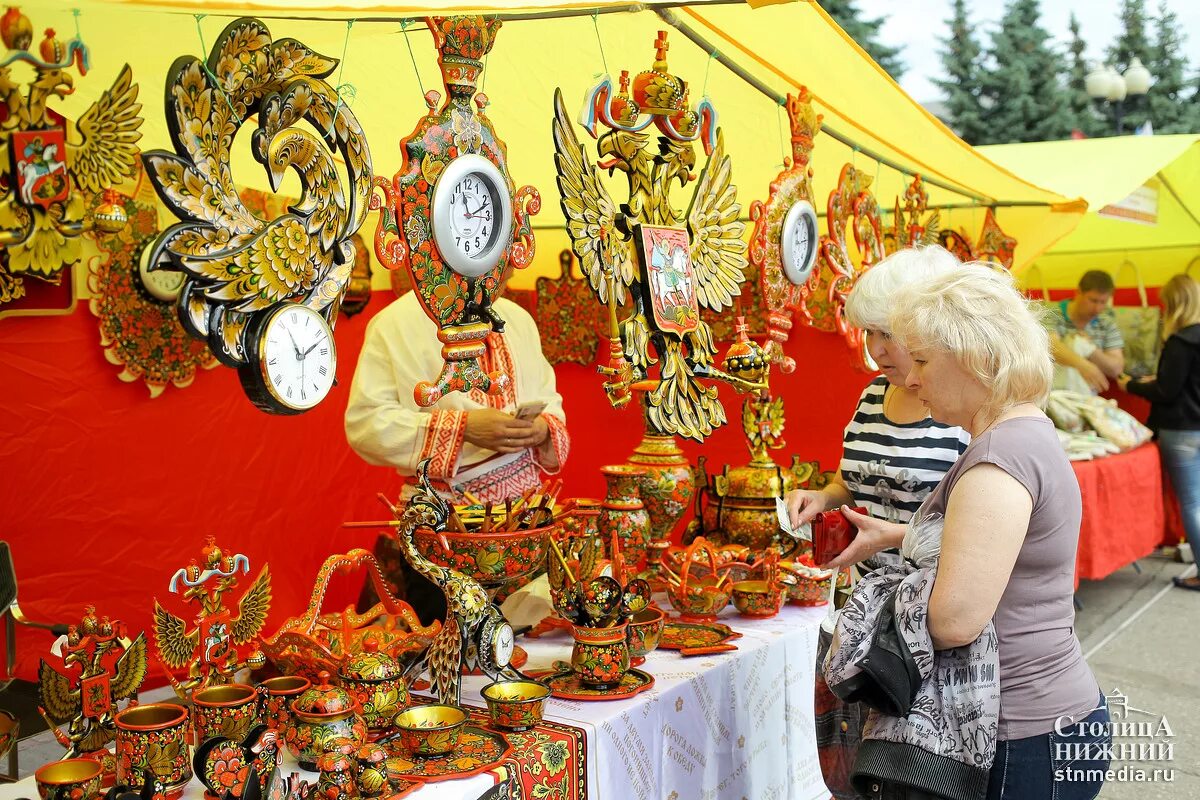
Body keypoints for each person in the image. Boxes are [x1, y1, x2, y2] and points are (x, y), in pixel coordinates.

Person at [831, 264, 1110, 800]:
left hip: (1021, 734)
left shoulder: (996, 461)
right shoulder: (1022, 433)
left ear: (977, 358)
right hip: (1044, 721)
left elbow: (954, 618)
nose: (912, 379)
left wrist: (870, 608)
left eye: (925, 361)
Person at [784, 245, 970, 800]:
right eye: (868, 334)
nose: (875, 349)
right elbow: (854, 480)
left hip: (928, 615)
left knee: (911, 766)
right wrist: (822, 496)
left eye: (886, 334)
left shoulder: (958, 411)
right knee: (858, 759)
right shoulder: (870, 397)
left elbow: (970, 522)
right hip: (866, 605)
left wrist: (894, 538)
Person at [345, 288, 570, 623]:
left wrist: (541, 429)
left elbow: (549, 399)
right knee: (450, 651)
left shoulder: (518, 318)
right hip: (443, 527)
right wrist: (462, 428)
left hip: (527, 524)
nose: (503, 266)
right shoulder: (394, 323)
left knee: (531, 648)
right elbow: (366, 425)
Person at [1120, 273, 1200, 591]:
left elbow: (1167, 390)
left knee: (1192, 504)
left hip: (1180, 431)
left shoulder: (1181, 341)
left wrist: (1133, 385)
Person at [1047, 270, 1125, 394]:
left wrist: (1091, 350)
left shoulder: (1107, 323)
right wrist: (1083, 365)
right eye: (1093, 300)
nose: (1097, 308)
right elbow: (1050, 345)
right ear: (1078, 292)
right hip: (1050, 394)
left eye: (1103, 302)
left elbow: (1116, 368)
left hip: (1085, 398)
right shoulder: (1051, 313)